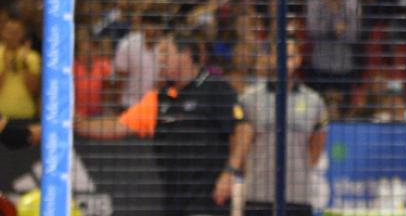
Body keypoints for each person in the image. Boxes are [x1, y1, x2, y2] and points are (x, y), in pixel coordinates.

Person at [76, 31, 252, 216]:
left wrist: (230, 172)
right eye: (159, 54)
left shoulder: (216, 89)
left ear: (185, 55)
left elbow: (244, 129)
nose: (160, 59)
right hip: (173, 201)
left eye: (166, 53)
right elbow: (117, 126)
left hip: (209, 200)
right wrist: (79, 124)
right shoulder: (160, 99)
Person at [238, 37, 327, 216]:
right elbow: (239, 143)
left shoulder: (314, 101)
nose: (285, 62)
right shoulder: (249, 98)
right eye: (279, 56)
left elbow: (317, 146)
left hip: (298, 196)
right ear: (270, 58)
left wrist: (300, 169)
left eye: (290, 56)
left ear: (299, 59)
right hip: (258, 194)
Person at [0, 18, 40, 121]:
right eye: (9, 32)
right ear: (2, 32)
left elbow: (34, 91)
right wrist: (5, 68)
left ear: (22, 34)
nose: (12, 36)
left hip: (25, 115)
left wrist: (24, 65)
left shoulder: (32, 56)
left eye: (16, 32)